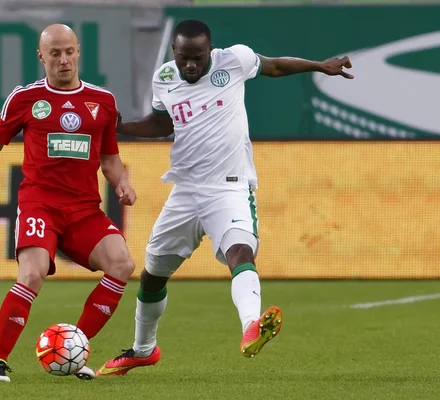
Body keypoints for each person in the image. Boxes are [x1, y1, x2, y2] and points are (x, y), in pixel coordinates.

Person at [97, 19, 354, 376]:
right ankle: (143, 350)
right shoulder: (165, 79)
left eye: (198, 58)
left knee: (239, 252)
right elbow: (162, 125)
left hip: (229, 186)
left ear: (210, 51)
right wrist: (120, 126)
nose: (191, 65)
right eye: (184, 57)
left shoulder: (234, 61)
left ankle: (252, 325)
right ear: (174, 51)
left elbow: (275, 65)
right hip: (185, 191)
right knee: (152, 276)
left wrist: (319, 66)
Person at [0, 24, 137, 382]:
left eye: (69, 51)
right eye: (55, 53)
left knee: (122, 263)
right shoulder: (25, 99)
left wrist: (123, 183)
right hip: (41, 205)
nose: (64, 60)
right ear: (41, 56)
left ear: (78, 51)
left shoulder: (103, 101)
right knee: (33, 272)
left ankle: (76, 348)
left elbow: (110, 157)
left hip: (85, 210)